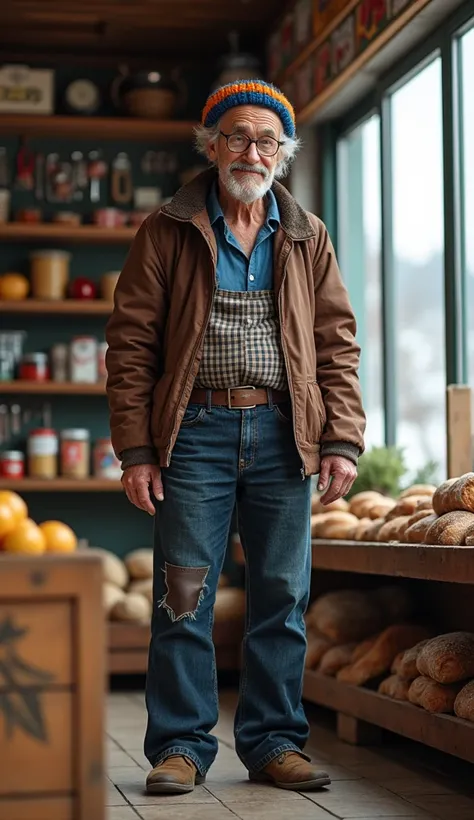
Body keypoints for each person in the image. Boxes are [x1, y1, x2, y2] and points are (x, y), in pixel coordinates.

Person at [106, 80, 366, 796]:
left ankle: (275, 742)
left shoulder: (307, 235)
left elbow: (336, 343)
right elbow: (131, 345)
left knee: (282, 594)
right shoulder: (167, 228)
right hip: (194, 435)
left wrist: (342, 437)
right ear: (212, 144)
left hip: (286, 434)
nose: (252, 151)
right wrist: (136, 450)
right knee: (183, 594)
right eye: (238, 136)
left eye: (266, 141)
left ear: (282, 154)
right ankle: (182, 747)